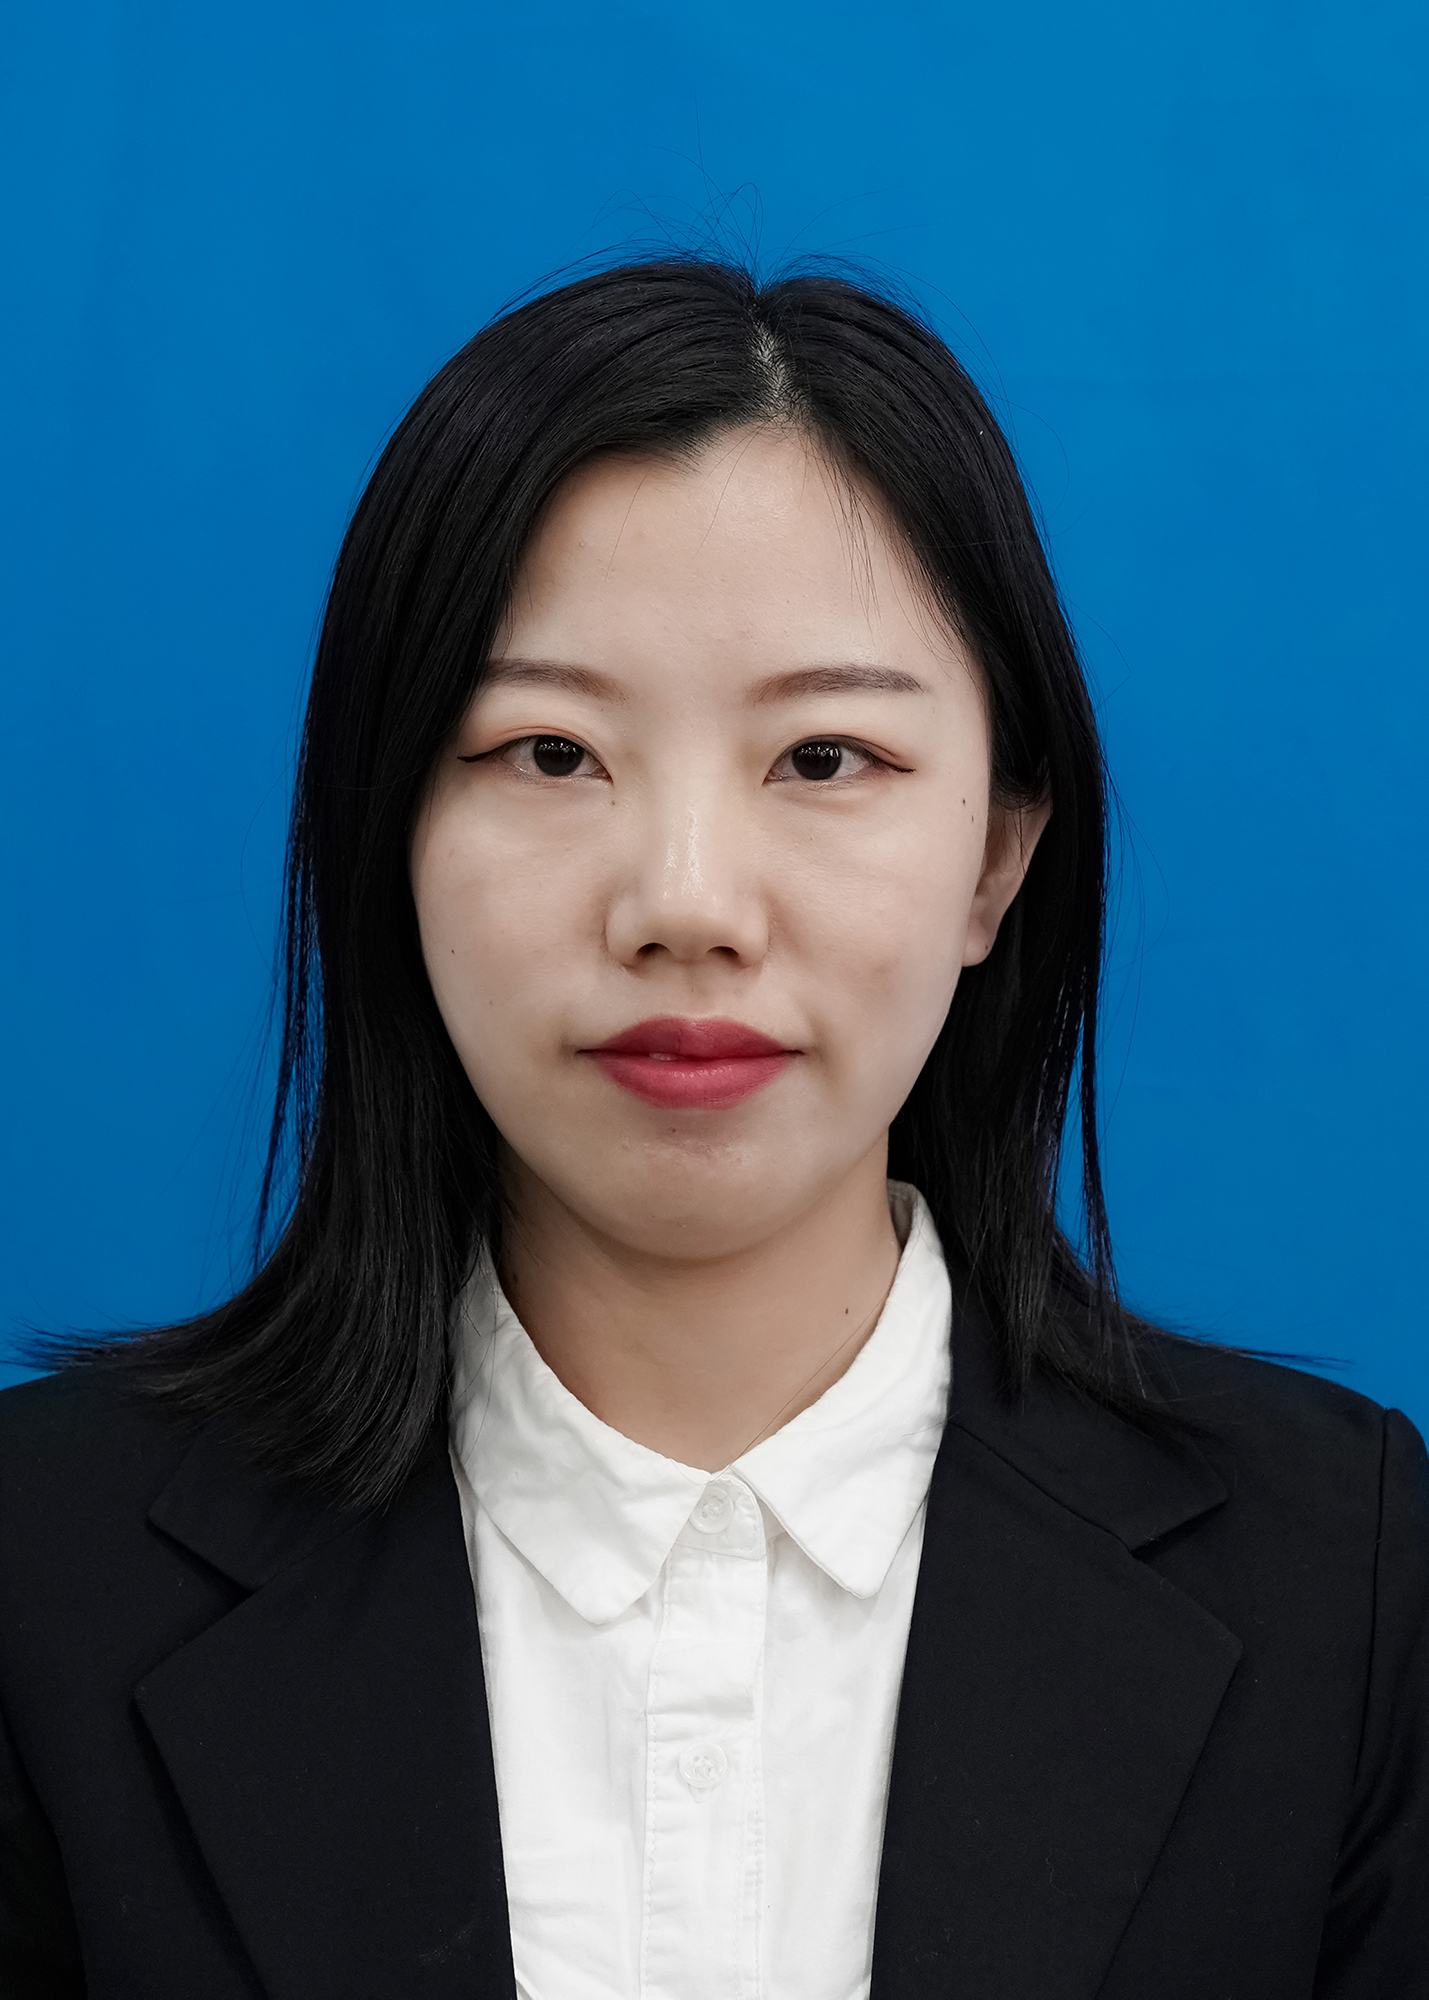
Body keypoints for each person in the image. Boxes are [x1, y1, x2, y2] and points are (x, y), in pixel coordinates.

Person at [0, 258, 1424, 2000]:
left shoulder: (1343, 1581)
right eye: (549, 753)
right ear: (387, 835)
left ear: (997, 855)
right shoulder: (40, 1572)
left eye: (823, 759)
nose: (685, 904)